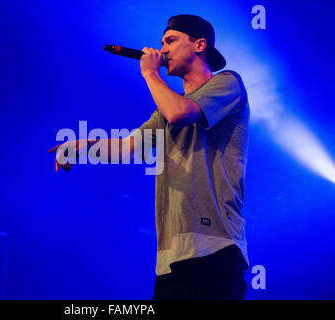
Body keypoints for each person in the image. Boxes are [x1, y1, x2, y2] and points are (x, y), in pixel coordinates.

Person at [49, 14, 250, 300]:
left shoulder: (228, 83)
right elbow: (129, 147)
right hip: (171, 256)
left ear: (199, 45)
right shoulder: (165, 111)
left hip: (215, 247)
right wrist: (83, 146)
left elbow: (180, 113)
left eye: (171, 41)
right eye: (162, 43)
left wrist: (150, 74)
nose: (162, 49)